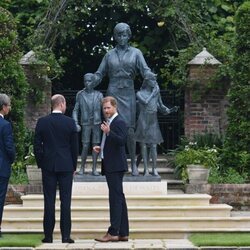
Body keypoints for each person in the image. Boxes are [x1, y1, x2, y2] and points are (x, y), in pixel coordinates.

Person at [93, 22, 153, 176]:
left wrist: (150, 77)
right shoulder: (109, 54)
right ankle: (107, 162)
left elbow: (145, 70)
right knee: (109, 127)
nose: (122, 37)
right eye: (119, 34)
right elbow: (100, 73)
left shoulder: (136, 53)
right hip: (113, 91)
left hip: (128, 91)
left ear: (129, 35)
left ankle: (133, 163)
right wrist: (93, 79)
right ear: (115, 36)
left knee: (130, 129)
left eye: (124, 34)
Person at [34, 94, 78, 244]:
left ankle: (48, 236)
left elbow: (37, 146)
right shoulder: (70, 123)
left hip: (49, 166)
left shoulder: (42, 122)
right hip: (66, 166)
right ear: (62, 104)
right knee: (66, 201)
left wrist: (42, 163)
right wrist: (74, 166)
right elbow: (74, 147)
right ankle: (66, 236)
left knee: (49, 201)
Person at [93, 96, 129, 242]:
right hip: (112, 164)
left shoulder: (119, 121)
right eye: (104, 108)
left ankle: (113, 232)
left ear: (115, 107)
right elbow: (112, 143)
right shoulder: (110, 122)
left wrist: (109, 132)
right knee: (119, 198)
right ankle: (123, 232)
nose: (106, 111)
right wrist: (100, 148)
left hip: (115, 166)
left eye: (108, 108)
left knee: (115, 199)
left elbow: (122, 141)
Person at [135, 73, 178, 176]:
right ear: (147, 81)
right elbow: (145, 102)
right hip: (143, 119)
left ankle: (154, 169)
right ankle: (146, 169)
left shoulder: (156, 93)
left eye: (155, 80)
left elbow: (161, 106)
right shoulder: (140, 93)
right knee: (144, 145)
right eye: (153, 80)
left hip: (153, 120)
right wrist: (153, 94)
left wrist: (170, 110)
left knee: (154, 145)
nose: (155, 82)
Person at [72, 73, 103, 175]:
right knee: (85, 146)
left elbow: (104, 110)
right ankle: (82, 168)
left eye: (89, 81)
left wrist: (108, 121)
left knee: (95, 145)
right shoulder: (80, 95)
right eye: (85, 81)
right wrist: (76, 122)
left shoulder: (99, 95)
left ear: (93, 82)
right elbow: (75, 110)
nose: (87, 83)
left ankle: (94, 168)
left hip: (96, 123)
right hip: (85, 123)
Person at [0, 94, 15, 237]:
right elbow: (9, 148)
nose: (9, 108)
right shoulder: (5, 125)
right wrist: (12, 159)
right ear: (4, 107)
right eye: (9, 105)